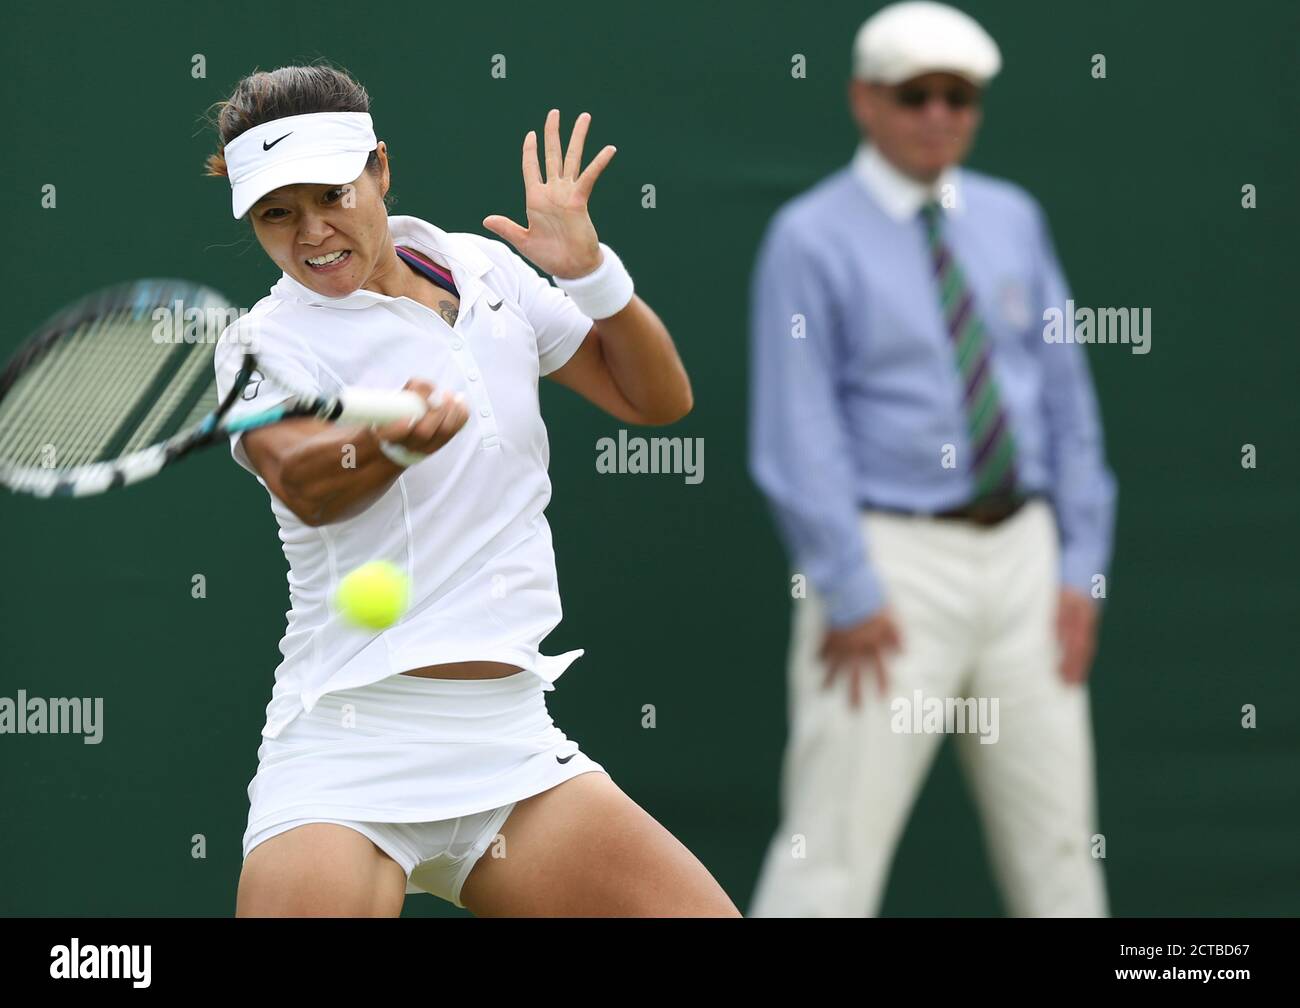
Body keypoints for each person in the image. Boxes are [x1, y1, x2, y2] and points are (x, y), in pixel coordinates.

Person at [205, 63, 738, 917]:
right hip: (349, 744)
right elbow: (305, 481)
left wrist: (593, 274)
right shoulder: (260, 343)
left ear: (380, 168)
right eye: (278, 214)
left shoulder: (485, 270)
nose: (312, 233)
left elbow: (657, 400)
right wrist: (385, 446)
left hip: (510, 742)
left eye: (332, 195)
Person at [747, 2, 1116, 917]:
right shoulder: (810, 236)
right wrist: (850, 584)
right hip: (889, 563)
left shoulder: (1013, 218)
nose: (941, 115)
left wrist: (1081, 568)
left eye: (962, 97)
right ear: (865, 101)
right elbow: (799, 429)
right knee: (830, 851)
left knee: (1062, 849)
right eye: (918, 95)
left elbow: (1068, 401)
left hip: (1026, 558)